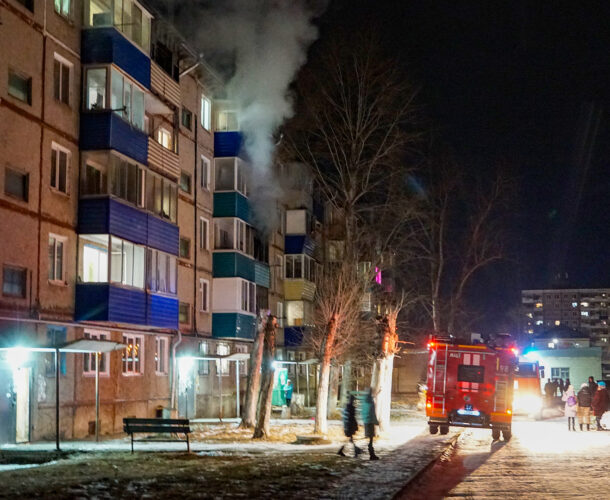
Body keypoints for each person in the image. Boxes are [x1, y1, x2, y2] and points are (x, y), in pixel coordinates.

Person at [361, 388, 380, 460]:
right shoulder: (371, 402)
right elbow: (373, 414)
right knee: (370, 439)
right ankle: (372, 454)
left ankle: (371, 453)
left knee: (369, 438)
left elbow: (363, 412)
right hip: (370, 422)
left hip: (366, 421)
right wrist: (376, 422)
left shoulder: (364, 401)